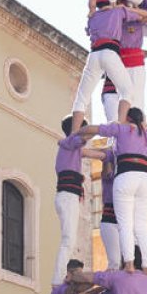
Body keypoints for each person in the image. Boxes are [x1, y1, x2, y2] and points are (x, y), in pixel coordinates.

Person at [84, 108, 147, 271]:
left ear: (127, 118)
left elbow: (94, 130)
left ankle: (130, 264)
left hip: (126, 179)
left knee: (126, 226)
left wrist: (77, 133)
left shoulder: (121, 130)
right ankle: (146, 267)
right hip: (142, 179)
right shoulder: (146, 135)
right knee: (141, 227)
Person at [69, 0, 147, 132]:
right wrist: (125, 8)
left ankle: (73, 135)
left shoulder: (93, 17)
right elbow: (145, 15)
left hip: (93, 55)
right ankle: (121, 125)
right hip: (110, 53)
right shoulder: (117, 11)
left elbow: (88, 30)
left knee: (82, 98)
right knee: (127, 91)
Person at [52, 115, 101, 284]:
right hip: (67, 197)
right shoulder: (69, 143)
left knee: (69, 241)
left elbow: (99, 154)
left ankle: (62, 276)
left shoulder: (73, 148)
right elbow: (84, 138)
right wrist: (105, 129)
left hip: (67, 197)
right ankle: (58, 280)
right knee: (68, 241)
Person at [98, 150, 121, 270]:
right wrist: (109, 155)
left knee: (128, 260)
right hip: (110, 220)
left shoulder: (127, 176)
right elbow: (106, 169)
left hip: (124, 221)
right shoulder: (109, 176)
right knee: (115, 262)